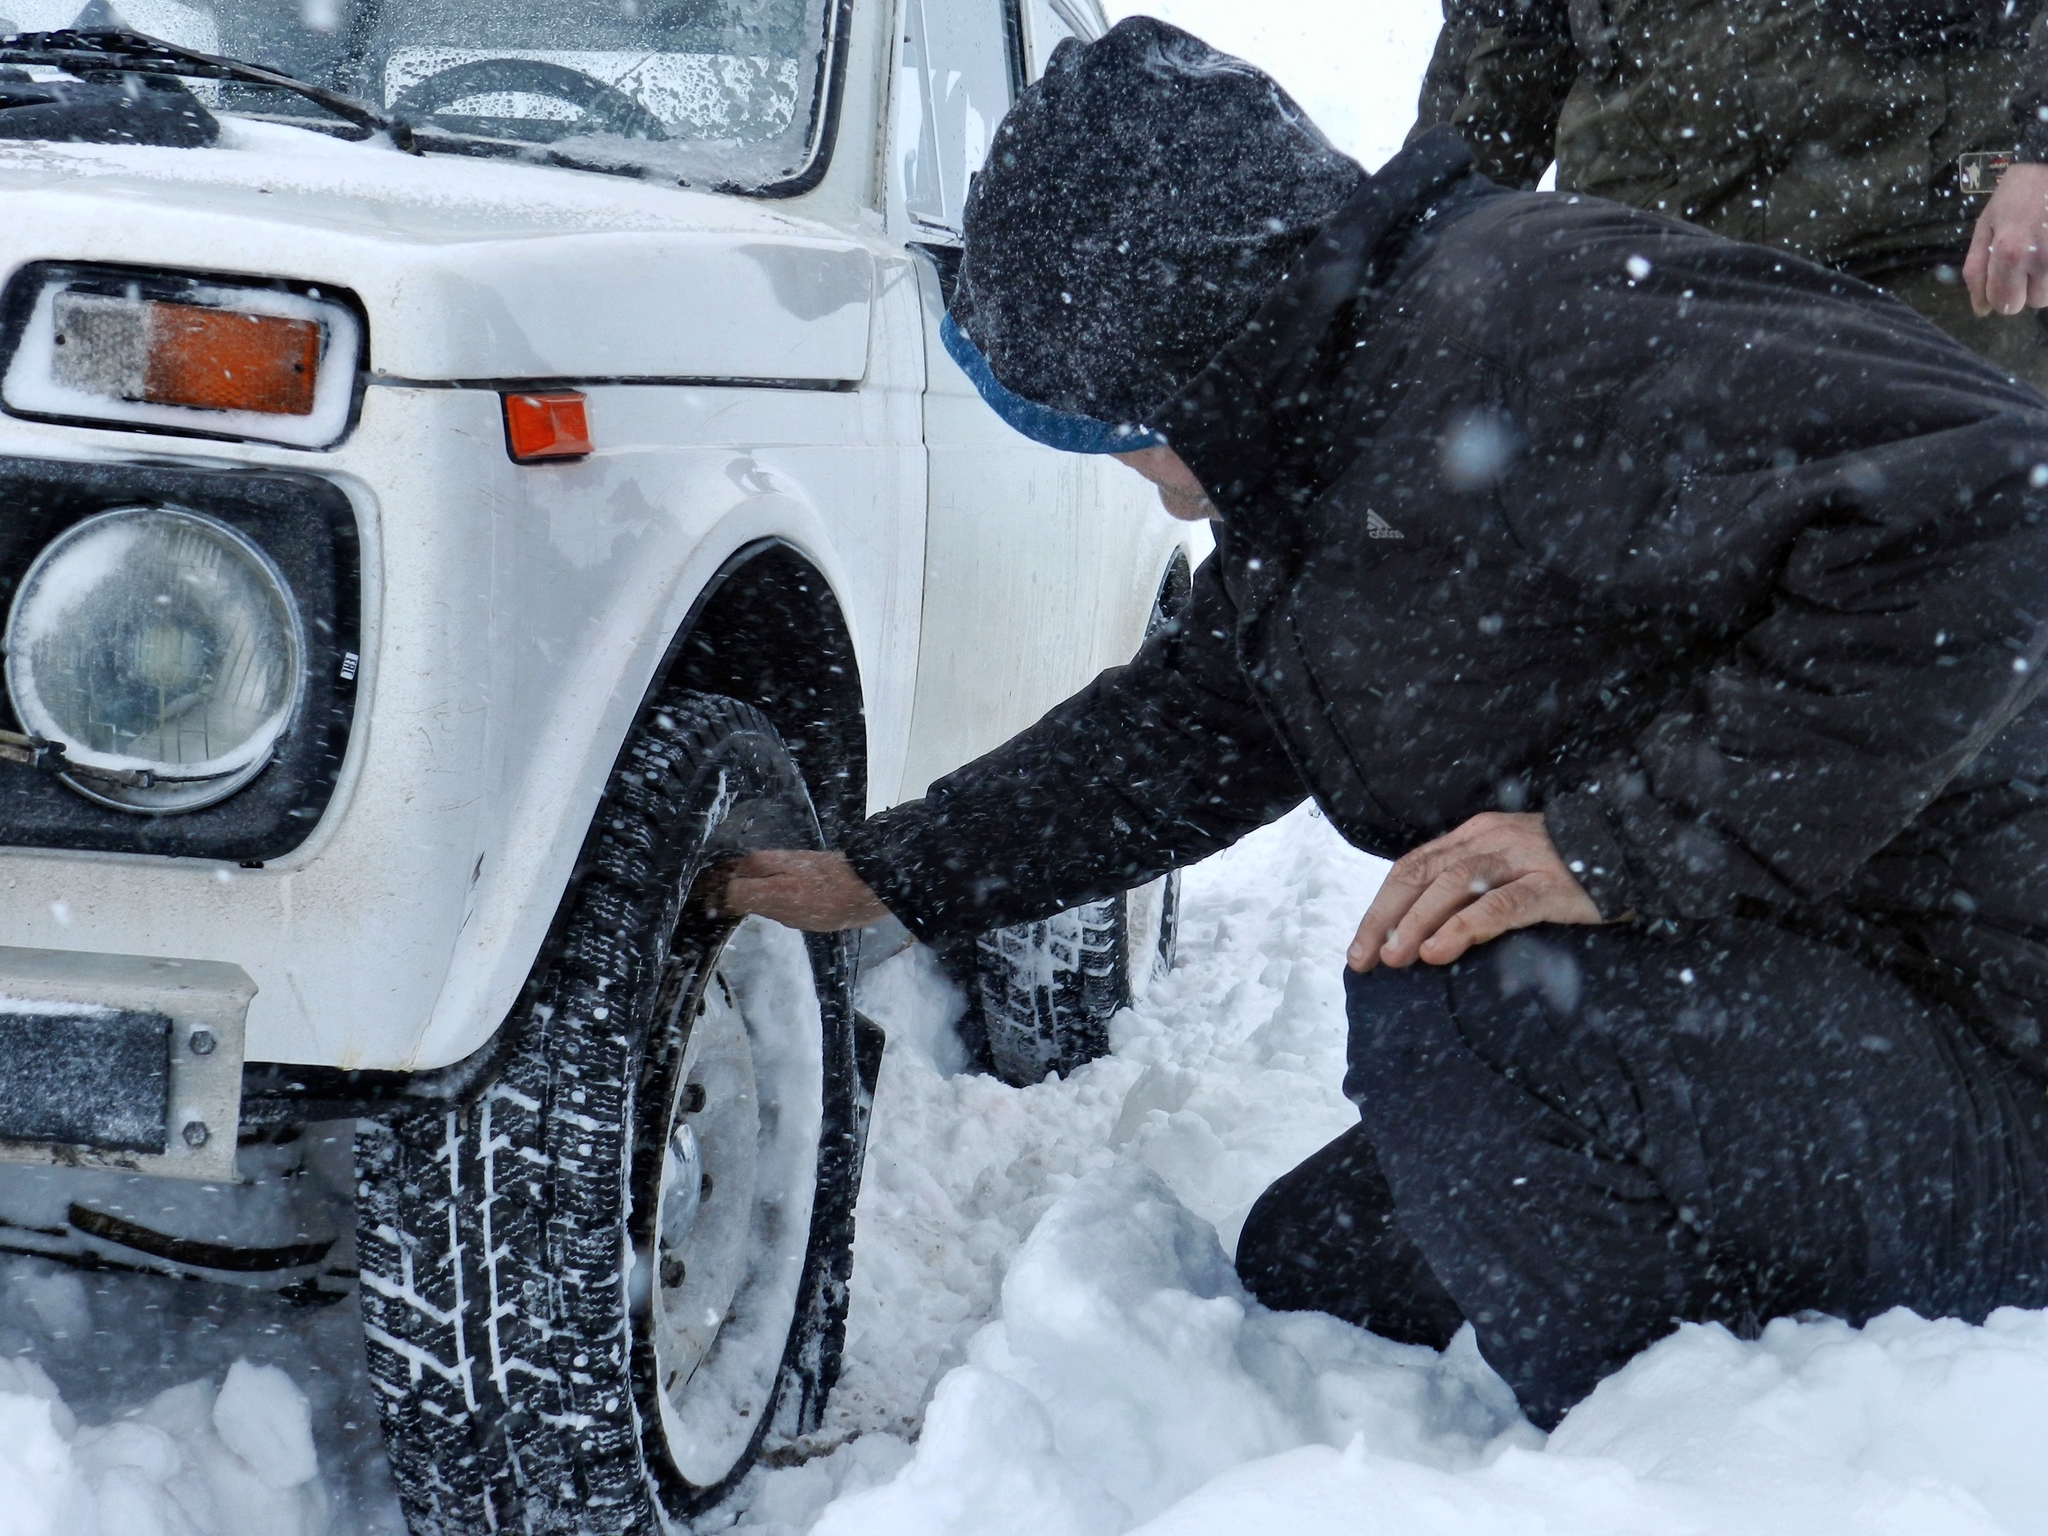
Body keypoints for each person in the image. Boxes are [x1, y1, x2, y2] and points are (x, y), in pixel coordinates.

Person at [719, 17, 2048, 1429]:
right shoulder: (1347, 430)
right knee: (1322, 1261)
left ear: (1182, 345)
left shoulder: (1544, 319)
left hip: (1989, 1033)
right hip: (1839, 990)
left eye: (1108, 425)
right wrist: (892, 874)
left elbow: (1993, 504)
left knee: (1454, 1008)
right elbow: (1205, 722)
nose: (1125, 469)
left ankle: (1691, 1461)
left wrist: (1618, 843)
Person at [1410, 0, 2048, 385]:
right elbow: (1506, 32)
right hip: (1647, 268)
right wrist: (1420, 224)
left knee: (1948, 563)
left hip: (1921, 240)